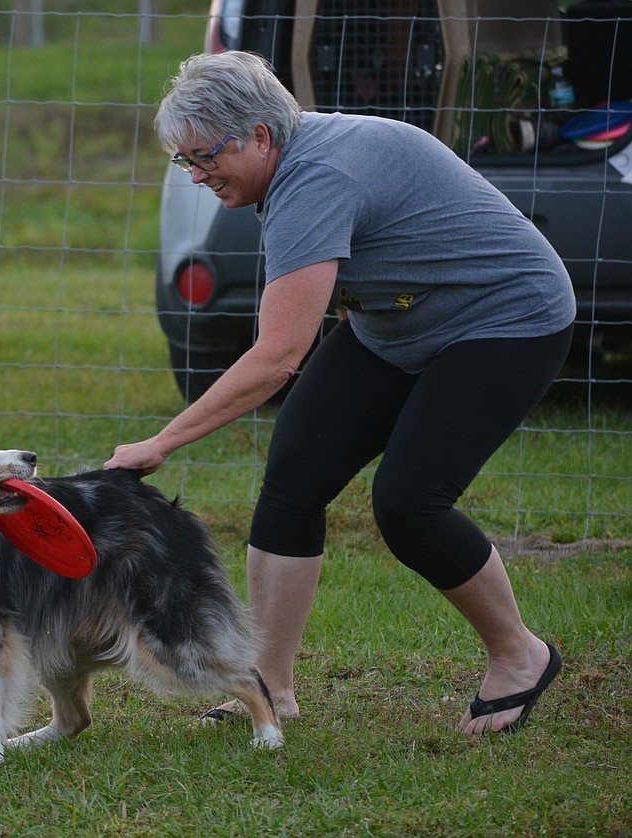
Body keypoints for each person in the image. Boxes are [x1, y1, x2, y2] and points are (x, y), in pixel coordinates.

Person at [104, 50, 573, 735]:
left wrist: (162, 441)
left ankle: (520, 656)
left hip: (507, 320)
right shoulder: (287, 164)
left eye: (205, 157)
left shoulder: (316, 175)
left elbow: (277, 357)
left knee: (409, 502)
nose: (198, 175)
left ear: (260, 136)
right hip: (400, 322)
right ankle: (268, 684)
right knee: (295, 474)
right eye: (185, 162)